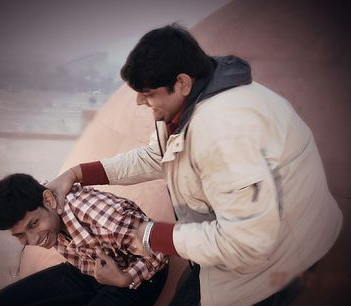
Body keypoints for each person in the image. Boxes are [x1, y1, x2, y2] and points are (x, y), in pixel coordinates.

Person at [46, 24, 343, 306]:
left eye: (148, 93)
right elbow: (155, 156)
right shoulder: (190, 101)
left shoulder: (225, 134)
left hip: (277, 258)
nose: (139, 102)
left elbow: (248, 240)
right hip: (224, 240)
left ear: (182, 83)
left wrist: (152, 236)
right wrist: (77, 173)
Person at [0, 173, 168, 306]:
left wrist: (124, 279)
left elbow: (161, 249)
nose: (33, 240)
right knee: (3, 302)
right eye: (20, 235)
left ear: (49, 201)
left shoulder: (106, 218)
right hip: (86, 269)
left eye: (33, 224)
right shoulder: (33, 201)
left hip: (135, 276)